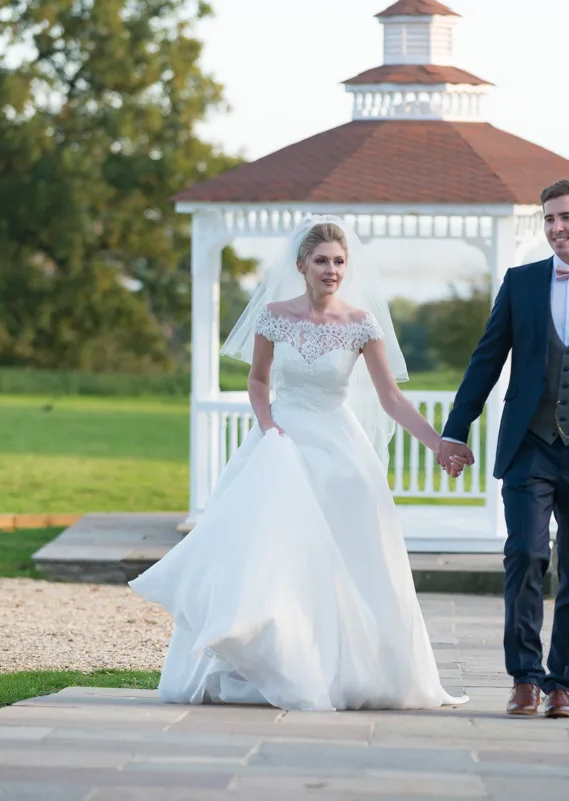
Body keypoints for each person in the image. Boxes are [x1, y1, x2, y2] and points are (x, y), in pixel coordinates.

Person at [130, 216, 467, 711]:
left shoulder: (360, 324)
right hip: (281, 444)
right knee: (269, 554)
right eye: (322, 261)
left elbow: (391, 398)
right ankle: (269, 656)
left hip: (340, 449)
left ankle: (343, 668)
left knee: (349, 558)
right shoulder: (273, 315)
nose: (331, 270)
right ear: (301, 265)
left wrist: (438, 443)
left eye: (338, 262)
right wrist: (269, 427)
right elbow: (259, 382)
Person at [438, 179, 569, 718]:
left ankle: (563, 684)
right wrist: (456, 429)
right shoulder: (521, 283)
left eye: (565, 218)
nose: (556, 228)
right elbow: (485, 361)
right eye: (548, 219)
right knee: (525, 554)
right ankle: (525, 678)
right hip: (529, 445)